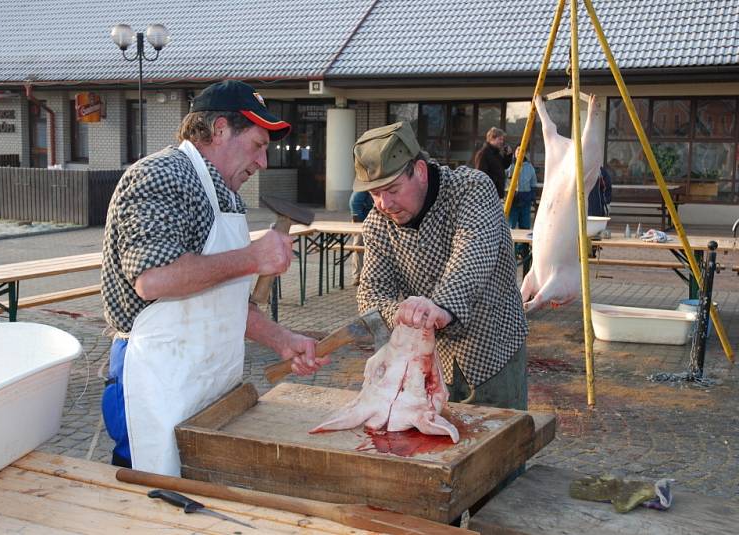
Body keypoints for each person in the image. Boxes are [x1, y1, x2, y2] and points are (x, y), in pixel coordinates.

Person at [100, 80, 326, 475]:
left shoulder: (225, 194)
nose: (263, 163)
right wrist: (252, 257)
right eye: (258, 146)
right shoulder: (161, 175)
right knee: (152, 496)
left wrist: (281, 339)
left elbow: (219, 298)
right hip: (157, 378)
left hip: (207, 379)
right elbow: (153, 279)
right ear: (219, 129)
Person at [353, 122, 528, 410]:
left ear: (420, 172)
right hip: (430, 362)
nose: (384, 203)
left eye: (393, 189)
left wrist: (441, 307)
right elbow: (371, 294)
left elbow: (473, 255)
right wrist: (402, 313)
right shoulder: (377, 224)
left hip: (494, 349)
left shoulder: (472, 189)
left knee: (500, 443)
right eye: (374, 193)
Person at [471, 127, 513, 199]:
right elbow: (480, 175)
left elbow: (504, 166)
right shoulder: (483, 153)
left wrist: (508, 155)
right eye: (500, 139)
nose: (502, 142)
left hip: (496, 193)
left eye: (502, 139)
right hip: (487, 195)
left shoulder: (496, 154)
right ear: (492, 139)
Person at [505, 145, 539, 230]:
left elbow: (533, 183)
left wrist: (530, 197)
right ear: (515, 151)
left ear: (525, 153)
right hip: (511, 200)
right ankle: (509, 243)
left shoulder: (529, 167)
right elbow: (503, 179)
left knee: (525, 226)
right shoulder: (509, 165)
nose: (519, 152)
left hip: (525, 200)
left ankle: (522, 244)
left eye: (522, 150)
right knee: (510, 226)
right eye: (518, 150)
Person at [348, 190, 373, 286]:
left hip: (374, 220)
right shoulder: (364, 184)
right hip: (361, 220)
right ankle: (357, 275)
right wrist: (362, 221)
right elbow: (354, 203)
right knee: (358, 246)